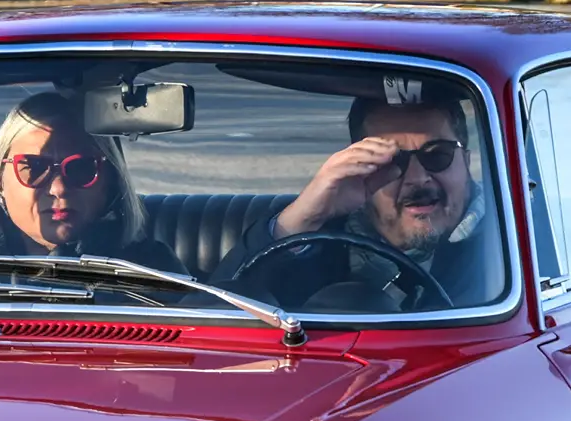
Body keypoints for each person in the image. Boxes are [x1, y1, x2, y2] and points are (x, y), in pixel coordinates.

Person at [211, 95, 497, 310]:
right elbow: (219, 311)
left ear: (466, 161)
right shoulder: (322, 242)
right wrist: (304, 218)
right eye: (392, 160)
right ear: (361, 166)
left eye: (437, 155)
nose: (417, 178)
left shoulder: (509, 243)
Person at [0, 92, 185, 279]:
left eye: (81, 168)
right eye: (33, 167)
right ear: (0, 180)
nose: (59, 189)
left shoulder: (156, 277)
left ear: (110, 181)